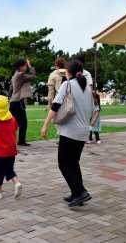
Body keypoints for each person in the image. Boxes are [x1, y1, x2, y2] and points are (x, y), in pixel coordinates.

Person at [41, 59, 94, 207]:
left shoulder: (67, 84)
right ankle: (77, 193)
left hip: (70, 131)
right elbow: (91, 110)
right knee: (73, 163)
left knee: (63, 163)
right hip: (83, 131)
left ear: (68, 73)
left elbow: (55, 105)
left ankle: (81, 192)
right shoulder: (88, 89)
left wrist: (45, 125)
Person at [8, 58, 36, 146]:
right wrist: (31, 66)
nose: (27, 67)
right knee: (23, 122)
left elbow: (11, 89)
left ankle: (10, 140)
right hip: (18, 101)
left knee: (13, 122)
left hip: (13, 101)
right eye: (25, 66)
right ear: (20, 67)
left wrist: (9, 98)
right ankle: (21, 141)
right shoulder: (20, 74)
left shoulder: (14, 75)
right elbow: (33, 76)